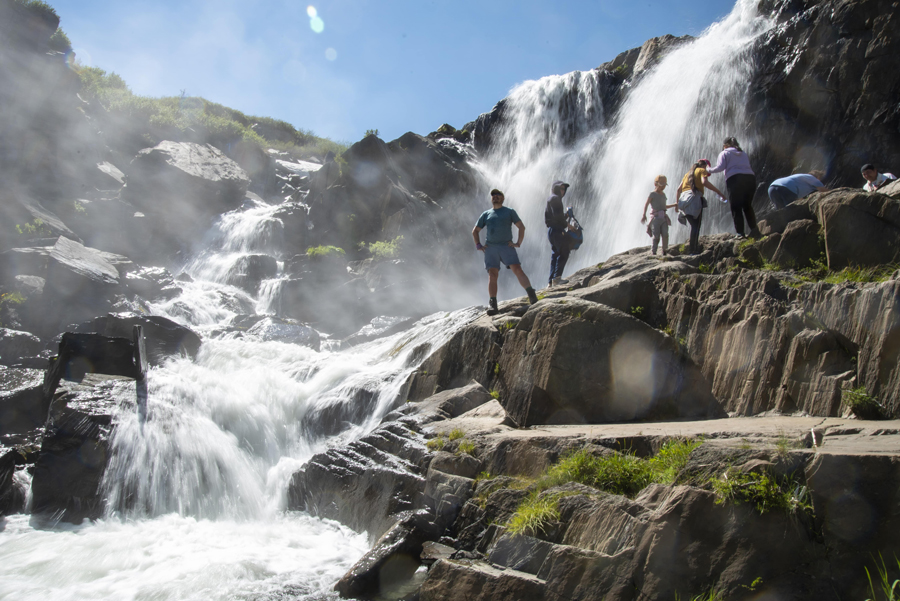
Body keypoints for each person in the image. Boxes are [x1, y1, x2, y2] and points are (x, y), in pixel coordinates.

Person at [472, 189, 539, 314]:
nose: (495, 197)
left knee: (517, 270)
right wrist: (478, 245)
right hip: (491, 248)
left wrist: (518, 243)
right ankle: (493, 304)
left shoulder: (509, 212)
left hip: (506, 246)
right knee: (492, 275)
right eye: (493, 195)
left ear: (503, 198)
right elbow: (475, 231)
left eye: (498, 195)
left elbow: (521, 227)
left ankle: (531, 294)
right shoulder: (486, 214)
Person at [708, 136, 759, 238]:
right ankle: (755, 230)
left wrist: (708, 170)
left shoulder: (725, 153)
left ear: (725, 145)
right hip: (750, 179)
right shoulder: (742, 152)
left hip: (735, 179)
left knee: (736, 207)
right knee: (747, 206)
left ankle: (740, 233)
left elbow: (720, 167)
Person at [675, 160, 725, 255]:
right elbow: (705, 182)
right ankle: (693, 250)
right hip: (694, 199)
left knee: (693, 226)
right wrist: (719, 192)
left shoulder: (688, 173)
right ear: (704, 165)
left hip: (683, 201)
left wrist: (677, 205)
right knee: (696, 226)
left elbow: (678, 190)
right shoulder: (702, 170)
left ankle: (692, 249)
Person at [544, 180, 576, 286]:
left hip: (553, 231)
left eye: (564, 189)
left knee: (555, 255)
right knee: (564, 251)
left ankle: (551, 282)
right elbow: (557, 217)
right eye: (560, 188)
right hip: (557, 230)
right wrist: (568, 225)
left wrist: (566, 215)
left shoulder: (552, 198)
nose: (562, 191)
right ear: (555, 189)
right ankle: (557, 278)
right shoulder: (555, 198)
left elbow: (556, 215)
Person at [640, 175, 677, 255]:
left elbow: (664, 206)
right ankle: (654, 252)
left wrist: (674, 205)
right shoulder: (652, 194)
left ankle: (665, 251)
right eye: (661, 185)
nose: (663, 187)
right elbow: (646, 204)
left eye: (664, 185)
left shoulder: (663, 195)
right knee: (656, 236)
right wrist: (644, 215)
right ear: (655, 184)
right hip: (655, 218)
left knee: (665, 234)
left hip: (663, 217)